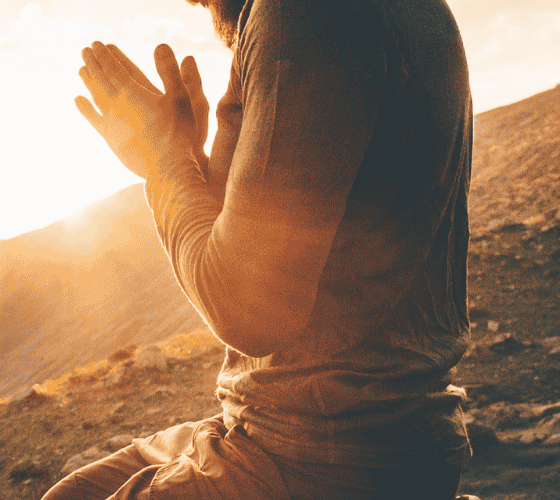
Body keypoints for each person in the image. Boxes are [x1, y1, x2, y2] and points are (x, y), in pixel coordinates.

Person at [47, 0, 474, 498]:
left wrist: (165, 162)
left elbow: (248, 308)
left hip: (322, 452)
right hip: (343, 431)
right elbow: (280, 229)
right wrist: (181, 155)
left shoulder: (303, 13)